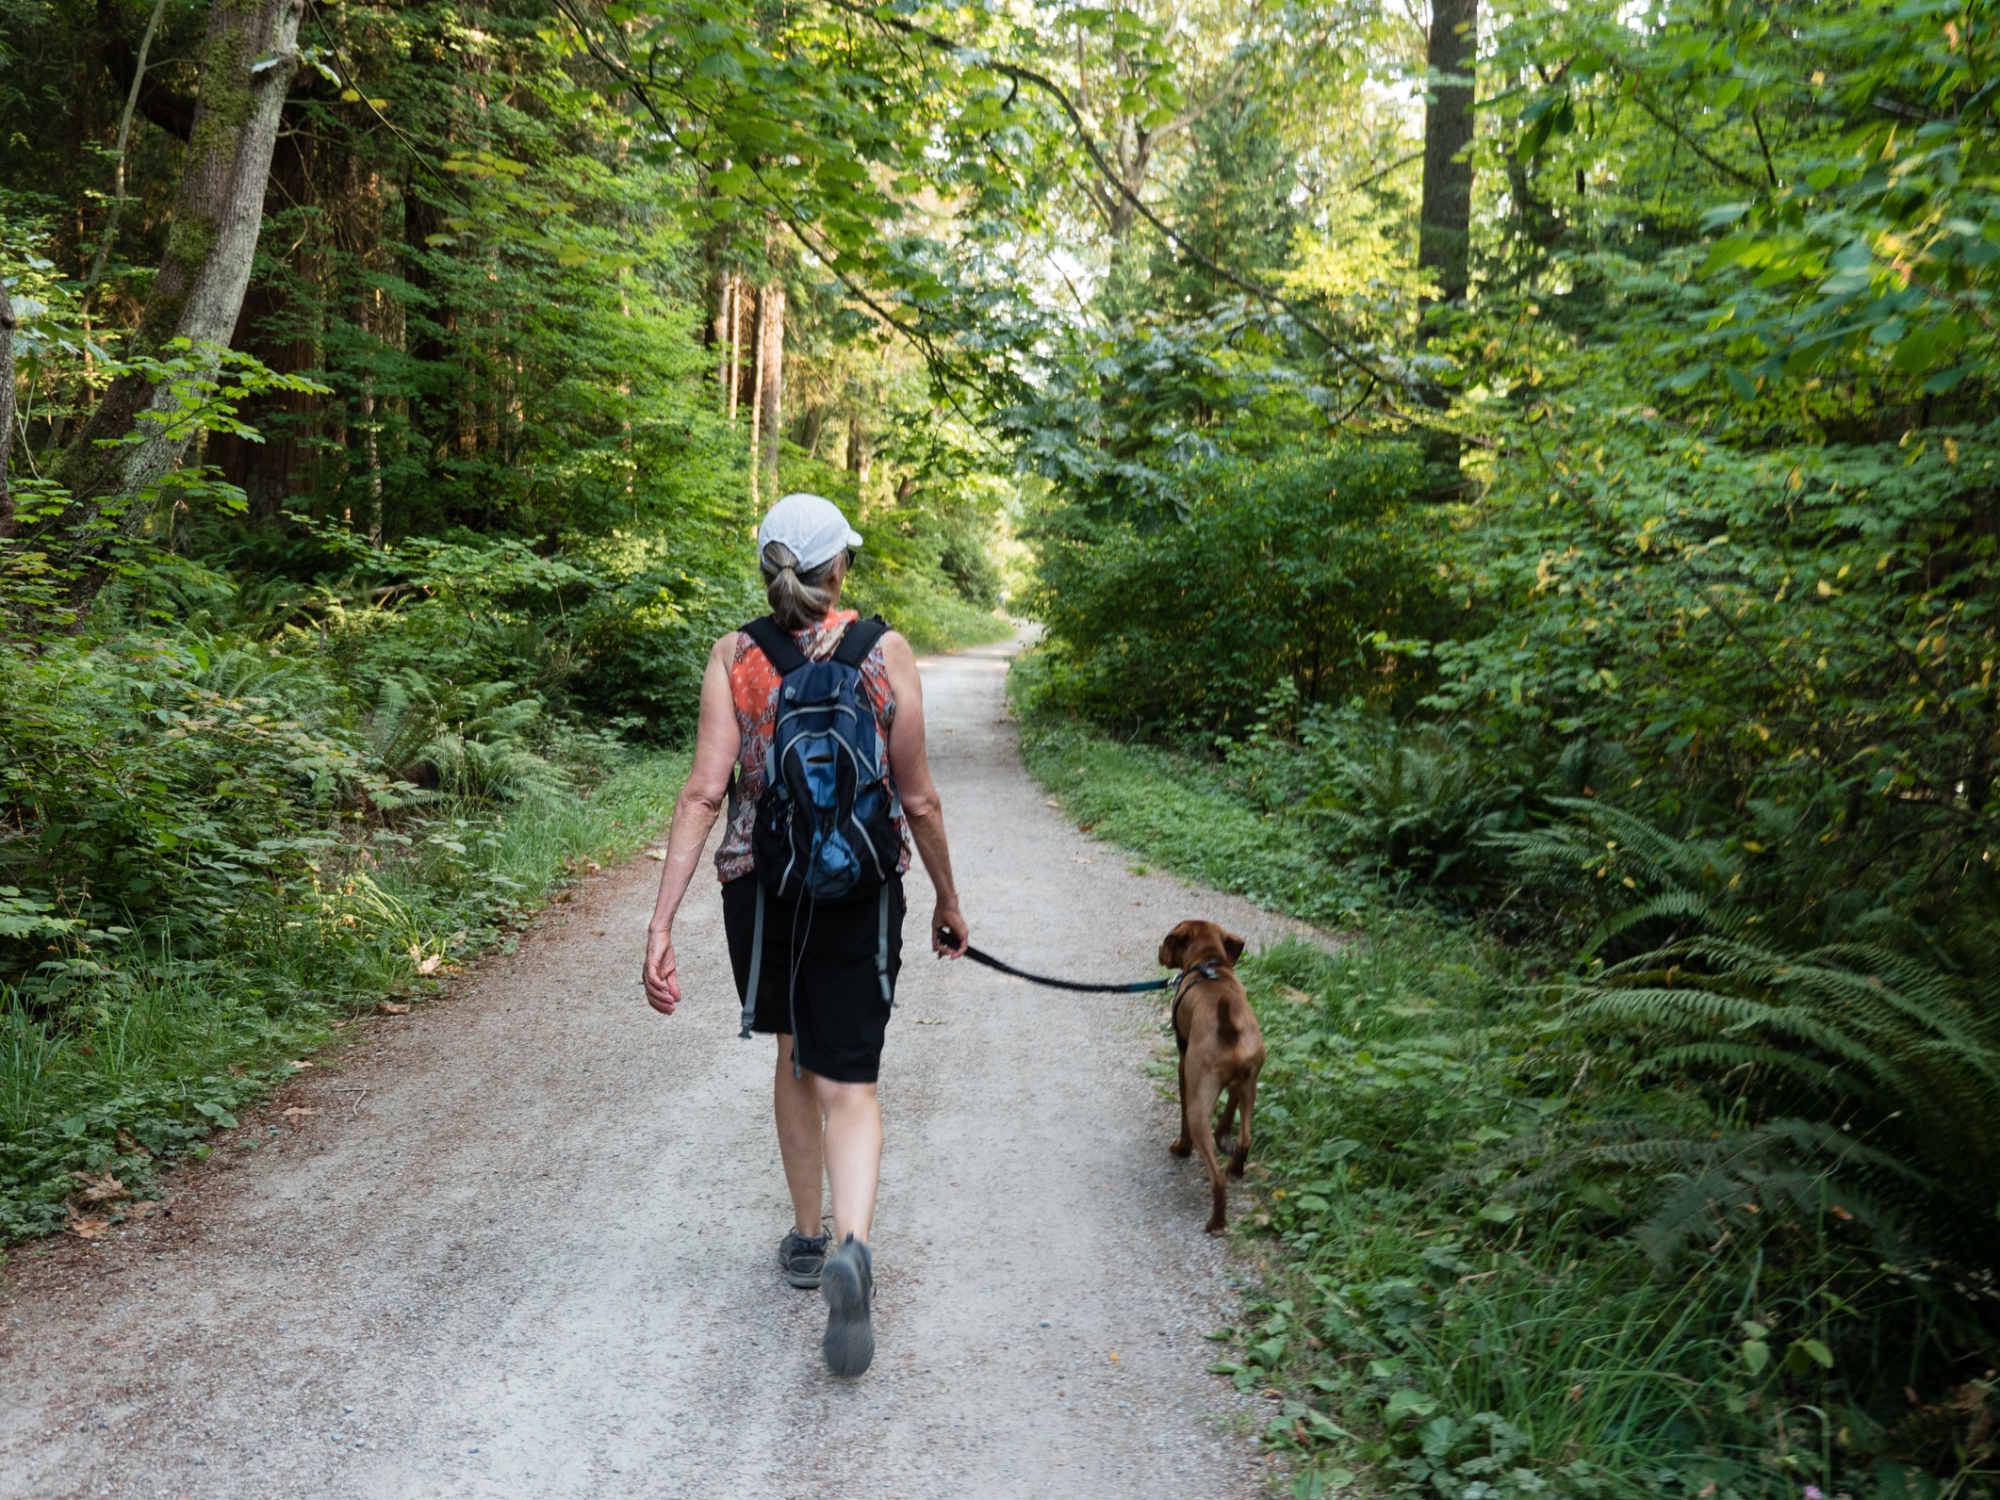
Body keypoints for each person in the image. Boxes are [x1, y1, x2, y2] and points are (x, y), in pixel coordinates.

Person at [641, 491, 970, 1378]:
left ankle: (803, 1236)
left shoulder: (733, 655)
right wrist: (946, 899)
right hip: (861, 891)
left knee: (793, 1052)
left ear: (768, 569)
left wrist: (661, 920)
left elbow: (705, 792)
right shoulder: (884, 651)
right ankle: (853, 1247)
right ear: (839, 570)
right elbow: (919, 797)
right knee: (850, 1081)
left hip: (766, 890)